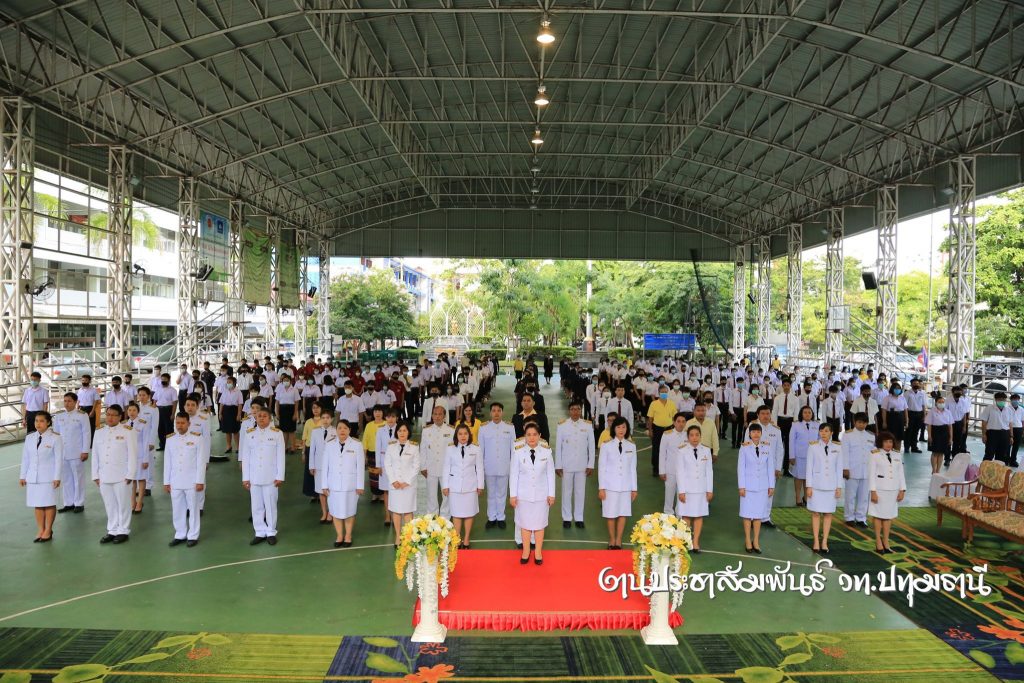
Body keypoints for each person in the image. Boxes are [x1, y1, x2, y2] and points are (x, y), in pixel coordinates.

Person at [92, 405, 139, 544]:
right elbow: (95, 454)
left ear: (120, 417)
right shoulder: (99, 431)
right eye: (108, 414)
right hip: (104, 475)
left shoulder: (128, 431)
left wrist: (130, 474)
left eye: (113, 415)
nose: (110, 417)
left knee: (123, 504)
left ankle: (123, 530)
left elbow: (132, 454)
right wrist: (95, 474)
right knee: (110, 504)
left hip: (121, 475)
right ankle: (112, 529)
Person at [510, 423, 556, 564]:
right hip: (523, 495)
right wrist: (512, 495)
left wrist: (551, 494)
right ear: (524, 436)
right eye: (528, 434)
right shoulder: (517, 452)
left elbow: (550, 474)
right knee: (525, 524)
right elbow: (514, 475)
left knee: (539, 525)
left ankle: (538, 553)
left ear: (540, 436)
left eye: (534, 434)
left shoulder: (547, 452)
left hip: (541, 495)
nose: (531, 437)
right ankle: (525, 551)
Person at [241, 407, 286, 545]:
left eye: (264, 416)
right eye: (259, 415)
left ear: (270, 418)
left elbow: (280, 457)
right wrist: (245, 478)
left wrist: (280, 476)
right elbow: (246, 457)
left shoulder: (277, 433)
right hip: (254, 477)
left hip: (271, 477)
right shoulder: (249, 434)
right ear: (255, 417)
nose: (261, 418)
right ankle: (259, 531)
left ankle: (271, 531)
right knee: (256, 506)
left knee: (270, 504)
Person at [163, 412, 206, 547]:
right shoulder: (170, 439)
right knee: (177, 509)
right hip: (175, 481)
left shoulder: (197, 439)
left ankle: (193, 535)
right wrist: (166, 482)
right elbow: (167, 462)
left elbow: (201, 462)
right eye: (177, 423)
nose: (179, 425)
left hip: (192, 481)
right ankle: (180, 534)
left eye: (182, 423)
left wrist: (200, 481)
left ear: (189, 423)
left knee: (193, 509)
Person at [19, 411, 62, 542]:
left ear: (48, 422)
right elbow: (25, 458)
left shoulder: (56, 438)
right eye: (36, 421)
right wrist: (23, 476)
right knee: (37, 504)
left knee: (49, 504)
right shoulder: (30, 438)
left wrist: (57, 477)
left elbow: (59, 459)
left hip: (48, 477)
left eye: (41, 421)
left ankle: (48, 529)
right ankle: (40, 529)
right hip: (33, 476)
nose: (38, 424)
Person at [321, 419, 364, 548]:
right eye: (339, 428)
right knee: (335, 511)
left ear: (349, 430)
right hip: (333, 485)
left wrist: (360, 485)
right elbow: (325, 466)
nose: (342, 431)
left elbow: (360, 467)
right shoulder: (329, 445)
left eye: (345, 428)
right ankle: (339, 535)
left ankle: (348, 535)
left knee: (349, 511)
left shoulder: (357, 445)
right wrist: (324, 485)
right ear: (336, 430)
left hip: (350, 486)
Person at [597, 416, 638, 550]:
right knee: (610, 513)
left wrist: (634, 488)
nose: (621, 430)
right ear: (613, 429)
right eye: (618, 427)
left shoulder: (631, 446)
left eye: (624, 427)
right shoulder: (606, 445)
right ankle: (612, 539)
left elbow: (633, 469)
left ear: (627, 429)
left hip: (626, 486)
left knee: (622, 513)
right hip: (610, 486)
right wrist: (601, 488)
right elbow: (602, 468)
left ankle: (619, 539)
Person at [555, 401, 595, 529]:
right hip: (567, 464)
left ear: (581, 410)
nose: (575, 411)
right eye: (572, 409)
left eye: (578, 409)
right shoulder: (562, 426)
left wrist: (591, 464)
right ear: (569, 411)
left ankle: (579, 518)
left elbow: (592, 447)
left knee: (580, 492)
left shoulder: (587, 425)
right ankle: (566, 518)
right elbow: (558, 446)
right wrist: (558, 465)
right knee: (566, 491)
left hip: (582, 465)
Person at [673, 424, 713, 553]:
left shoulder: (706, 451)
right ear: (688, 437)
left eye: (697, 435)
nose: (694, 438)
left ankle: (695, 542)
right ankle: (686, 541)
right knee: (686, 516)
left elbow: (709, 472)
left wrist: (709, 490)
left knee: (699, 516)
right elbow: (680, 472)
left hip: (701, 489)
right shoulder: (682, 451)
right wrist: (682, 491)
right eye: (692, 435)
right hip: (688, 490)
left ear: (700, 436)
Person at [443, 424, 485, 549]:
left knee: (469, 513)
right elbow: (446, 468)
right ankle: (457, 538)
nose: (463, 436)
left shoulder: (476, 449)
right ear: (456, 435)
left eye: (465, 434)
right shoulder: (450, 449)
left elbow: (480, 468)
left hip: (470, 486)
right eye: (460, 434)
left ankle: (466, 538)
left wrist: (480, 485)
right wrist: (445, 485)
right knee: (456, 514)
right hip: (454, 486)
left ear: (469, 435)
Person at [805, 423, 842, 554]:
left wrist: (839, 487)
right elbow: (809, 468)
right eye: (821, 431)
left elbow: (839, 468)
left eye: (826, 431)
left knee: (828, 514)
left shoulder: (838, 447)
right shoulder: (813, 447)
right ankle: (816, 540)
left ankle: (824, 541)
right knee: (815, 513)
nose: (823, 433)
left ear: (831, 432)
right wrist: (808, 486)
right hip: (816, 485)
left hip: (831, 486)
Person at [737, 423, 775, 554]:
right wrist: (741, 486)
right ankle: (748, 540)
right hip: (748, 486)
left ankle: (756, 541)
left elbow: (770, 467)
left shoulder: (767, 447)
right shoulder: (744, 448)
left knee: (758, 515)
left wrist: (771, 486)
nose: (756, 434)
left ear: (761, 433)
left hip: (762, 487)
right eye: (753, 432)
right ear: (749, 434)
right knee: (747, 515)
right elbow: (741, 469)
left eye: (758, 432)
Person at [480, 402, 516, 530]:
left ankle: (501, 517)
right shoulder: (483, 428)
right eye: (494, 410)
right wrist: (481, 467)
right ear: (490, 413)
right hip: (489, 466)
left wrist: (513, 466)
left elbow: (514, 449)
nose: (496, 413)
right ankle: (491, 517)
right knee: (491, 494)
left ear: (502, 413)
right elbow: (481, 451)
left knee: (501, 493)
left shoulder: (510, 428)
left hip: (504, 466)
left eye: (498, 410)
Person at [869, 431, 906, 553]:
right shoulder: (875, 455)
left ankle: (886, 541)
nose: (888, 444)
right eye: (886, 441)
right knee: (878, 515)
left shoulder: (897, 455)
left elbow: (901, 473)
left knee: (888, 516)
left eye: (890, 441)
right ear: (881, 442)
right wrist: (873, 491)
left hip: (893, 490)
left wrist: (902, 489)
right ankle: (878, 541)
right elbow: (872, 474)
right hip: (880, 490)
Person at [385, 421, 420, 547]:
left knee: (408, 511)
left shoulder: (415, 447)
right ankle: (398, 536)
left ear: (408, 432)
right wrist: (393, 480)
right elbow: (387, 464)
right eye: (400, 431)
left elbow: (416, 466)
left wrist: (407, 482)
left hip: (408, 485)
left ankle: (408, 537)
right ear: (396, 432)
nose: (402, 433)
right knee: (396, 511)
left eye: (405, 430)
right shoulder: (391, 447)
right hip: (395, 485)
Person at [54, 393, 90, 514]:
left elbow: (86, 433)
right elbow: (56, 435)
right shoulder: (59, 416)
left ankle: (79, 503)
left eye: (69, 401)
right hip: (63, 453)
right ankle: (68, 503)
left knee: (78, 478)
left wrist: (85, 450)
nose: (66, 403)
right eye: (65, 401)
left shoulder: (82, 415)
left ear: (75, 402)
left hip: (76, 452)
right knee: (67, 479)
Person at [421, 404, 455, 518]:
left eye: (440, 414)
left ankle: (445, 518)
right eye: (435, 414)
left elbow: (454, 451)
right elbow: (423, 449)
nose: (437, 416)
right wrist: (423, 466)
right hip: (431, 468)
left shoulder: (451, 430)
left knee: (446, 495)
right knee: (431, 495)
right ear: (432, 416)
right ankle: (432, 518)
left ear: (444, 416)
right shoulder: (426, 431)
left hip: (446, 469)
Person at [841, 413, 874, 527]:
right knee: (850, 496)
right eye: (859, 422)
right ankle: (849, 517)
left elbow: (874, 454)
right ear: (855, 422)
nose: (861, 424)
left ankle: (861, 518)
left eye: (864, 422)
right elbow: (844, 453)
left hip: (866, 471)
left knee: (864, 496)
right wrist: (845, 468)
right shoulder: (847, 435)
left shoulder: (871, 436)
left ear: (867, 423)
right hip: (852, 470)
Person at [124, 402, 155, 514]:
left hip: (141, 455)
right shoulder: (125, 425)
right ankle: (132, 501)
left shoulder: (143, 423)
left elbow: (146, 441)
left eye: (134, 410)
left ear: (138, 412)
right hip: (129, 457)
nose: (131, 412)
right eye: (129, 410)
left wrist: (146, 459)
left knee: (141, 478)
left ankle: (140, 501)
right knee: (131, 479)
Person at [658, 413, 689, 515]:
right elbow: (662, 453)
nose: (681, 424)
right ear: (674, 422)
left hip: (684, 471)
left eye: (683, 421)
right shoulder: (667, 435)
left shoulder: (688, 435)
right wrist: (662, 471)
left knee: (681, 492)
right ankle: (668, 514)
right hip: (670, 469)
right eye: (678, 421)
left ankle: (680, 513)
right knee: (669, 492)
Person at [309, 406, 335, 524]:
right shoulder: (315, 432)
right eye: (323, 418)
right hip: (319, 466)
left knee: (331, 490)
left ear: (332, 419)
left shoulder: (336, 431)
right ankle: (324, 512)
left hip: (332, 467)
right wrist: (311, 466)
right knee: (321, 491)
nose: (325, 420)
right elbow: (312, 450)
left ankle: (331, 513)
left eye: (328, 418)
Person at [789, 405, 817, 507]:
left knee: (808, 477)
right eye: (805, 412)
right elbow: (791, 441)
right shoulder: (796, 425)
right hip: (799, 455)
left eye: (809, 412)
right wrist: (791, 456)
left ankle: (806, 497)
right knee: (798, 477)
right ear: (801, 414)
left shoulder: (816, 425)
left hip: (812, 456)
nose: (807, 414)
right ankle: (797, 497)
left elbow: (819, 441)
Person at [647, 385, 676, 478]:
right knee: (656, 449)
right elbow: (650, 418)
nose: (664, 393)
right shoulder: (654, 404)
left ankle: (667, 468)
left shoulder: (671, 403)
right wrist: (650, 430)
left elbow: (674, 418)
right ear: (659, 393)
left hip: (669, 429)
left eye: (665, 392)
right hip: (657, 429)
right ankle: (656, 468)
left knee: (668, 449)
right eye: (662, 392)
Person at [301, 400, 325, 504]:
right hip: (309, 449)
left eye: (317, 408)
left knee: (319, 472)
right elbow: (304, 438)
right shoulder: (308, 422)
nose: (315, 410)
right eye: (313, 408)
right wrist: (303, 452)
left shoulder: (324, 421)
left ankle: (320, 493)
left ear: (321, 409)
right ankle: (312, 494)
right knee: (310, 472)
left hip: (320, 451)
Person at [981, 391, 1014, 464]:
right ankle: (983, 471)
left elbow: (1010, 424)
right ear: (996, 400)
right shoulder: (989, 408)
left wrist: (1011, 436)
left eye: (1003, 399)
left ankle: (997, 473)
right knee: (989, 454)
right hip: (992, 433)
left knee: (1002, 455)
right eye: (1000, 399)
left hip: (1005, 434)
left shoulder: (1008, 410)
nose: (1002, 401)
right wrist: (984, 434)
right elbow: (984, 422)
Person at [925, 396, 954, 474]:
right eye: (940, 402)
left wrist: (951, 438)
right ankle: (934, 470)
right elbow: (929, 424)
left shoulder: (948, 412)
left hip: (945, 432)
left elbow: (950, 426)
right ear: (936, 403)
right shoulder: (932, 412)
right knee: (935, 452)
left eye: (943, 402)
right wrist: (929, 435)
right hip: (935, 432)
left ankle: (938, 470)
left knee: (941, 452)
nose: (941, 403)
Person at [218, 374, 243, 455]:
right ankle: (228, 446)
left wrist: (239, 414)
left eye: (230, 382)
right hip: (225, 410)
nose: (228, 383)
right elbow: (221, 403)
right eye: (227, 382)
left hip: (234, 411)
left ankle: (238, 447)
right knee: (227, 431)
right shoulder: (224, 391)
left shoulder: (238, 392)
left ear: (234, 383)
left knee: (235, 430)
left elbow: (240, 404)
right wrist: (220, 413)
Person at [880, 382, 909, 452]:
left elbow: (905, 410)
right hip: (891, 417)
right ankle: (890, 453)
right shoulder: (887, 398)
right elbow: (883, 410)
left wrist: (907, 421)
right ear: (892, 389)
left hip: (900, 418)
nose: (897, 390)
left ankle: (897, 454)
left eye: (899, 388)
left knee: (899, 437)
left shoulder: (902, 398)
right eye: (896, 388)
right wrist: (884, 422)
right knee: (891, 437)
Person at [275, 374, 301, 451]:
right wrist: (277, 413)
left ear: (290, 381)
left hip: (291, 409)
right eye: (284, 380)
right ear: (282, 381)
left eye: (287, 380)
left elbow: (296, 403)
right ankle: (285, 447)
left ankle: (293, 447)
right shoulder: (280, 389)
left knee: (291, 430)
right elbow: (277, 402)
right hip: (282, 410)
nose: (286, 382)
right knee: (284, 430)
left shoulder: (294, 390)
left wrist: (295, 414)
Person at [153, 372, 178, 450]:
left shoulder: (172, 390)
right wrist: (154, 411)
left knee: (169, 429)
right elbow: (154, 400)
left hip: (168, 410)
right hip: (159, 410)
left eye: (165, 379)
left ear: (169, 380)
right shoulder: (158, 389)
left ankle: (170, 445)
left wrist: (173, 414)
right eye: (162, 379)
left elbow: (175, 402)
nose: (163, 381)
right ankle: (162, 445)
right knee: (160, 429)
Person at [1011, 394, 1024, 468]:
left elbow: (1023, 420)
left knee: (1016, 446)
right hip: (1009, 428)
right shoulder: (1007, 408)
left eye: (1017, 399)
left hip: (1018, 428)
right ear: (1011, 400)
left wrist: (1022, 430)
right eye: (1014, 399)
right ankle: (1006, 459)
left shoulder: (1021, 409)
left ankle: (1013, 460)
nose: (1016, 401)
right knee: (1008, 445)